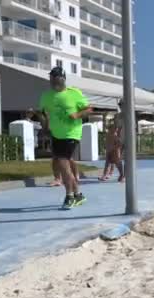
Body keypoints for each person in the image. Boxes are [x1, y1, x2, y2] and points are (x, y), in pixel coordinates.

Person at [40, 66, 92, 209]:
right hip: (56, 135)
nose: (53, 81)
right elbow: (44, 114)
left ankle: (69, 196)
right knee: (65, 165)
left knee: (63, 164)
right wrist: (44, 128)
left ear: (63, 79)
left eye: (56, 78)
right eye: (51, 78)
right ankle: (78, 195)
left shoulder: (74, 93)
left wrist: (77, 115)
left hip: (72, 134)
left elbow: (88, 109)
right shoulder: (46, 96)